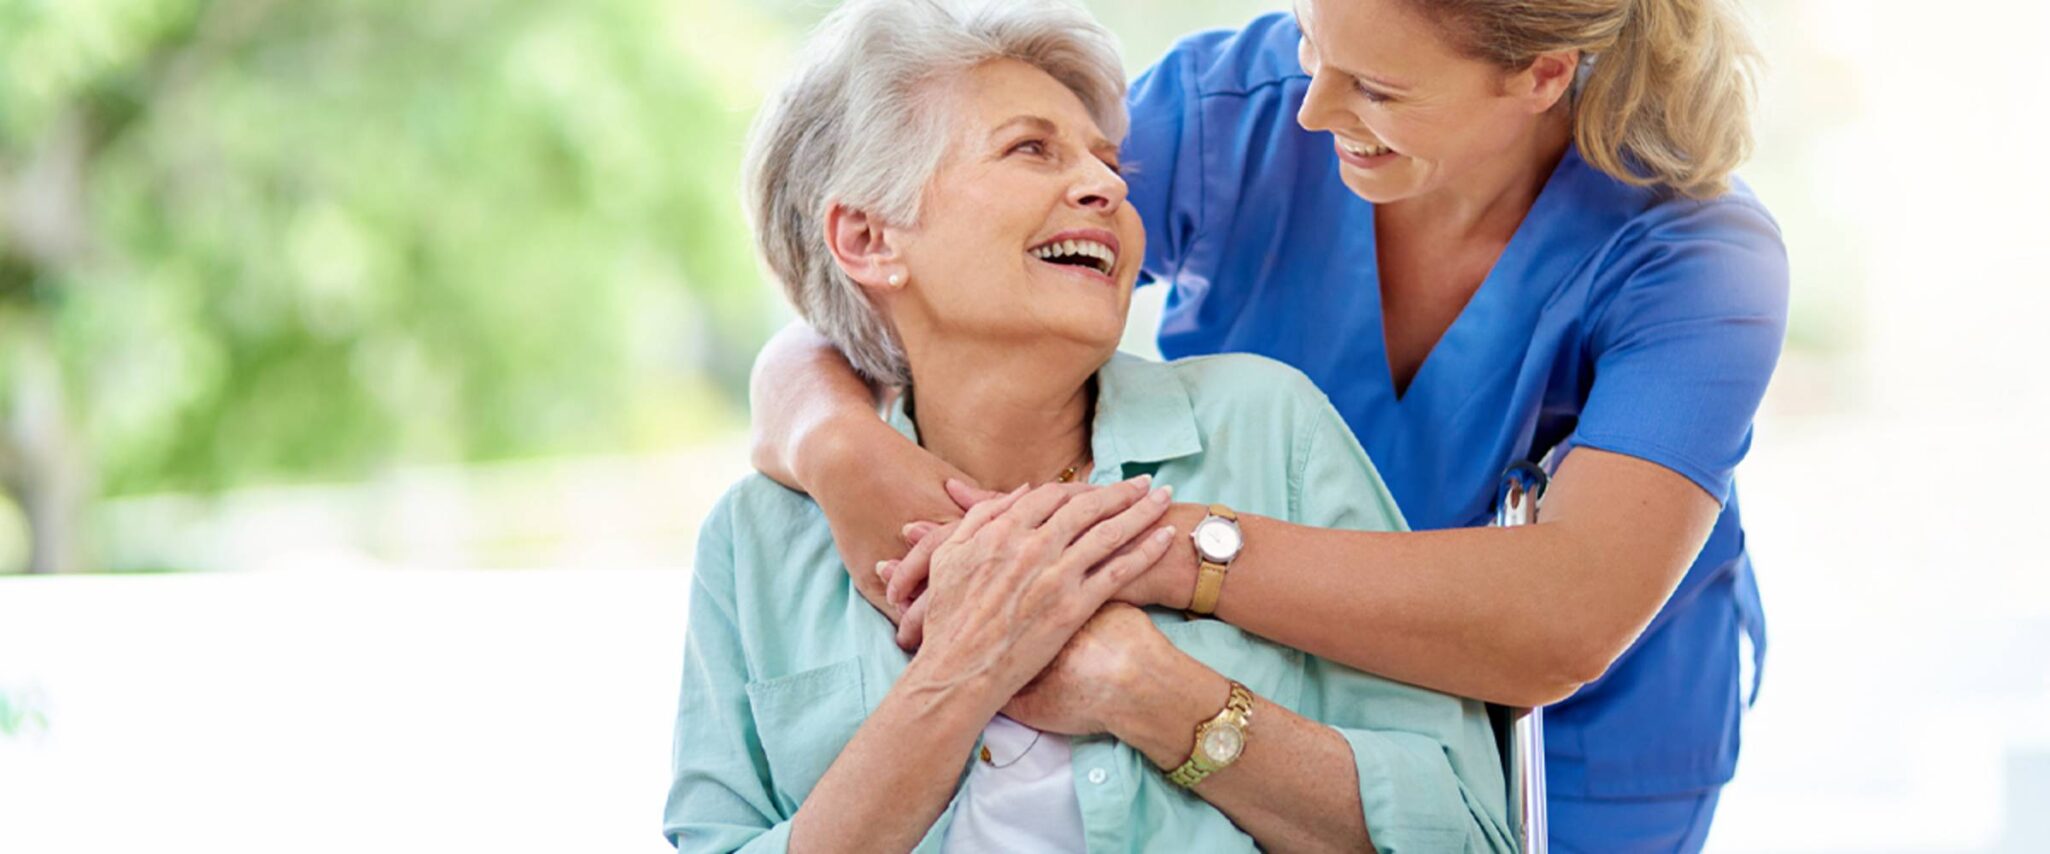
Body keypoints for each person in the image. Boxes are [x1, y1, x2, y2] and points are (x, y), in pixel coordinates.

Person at [749, 0, 1790, 849]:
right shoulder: (1232, 110)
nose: (1309, 108)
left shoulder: (1695, 260)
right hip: (1268, 684)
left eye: (1376, 87)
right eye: (1307, 38)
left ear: (1540, 77)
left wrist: (1136, 547)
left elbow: (1562, 619)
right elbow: (899, 267)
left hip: (1580, 747)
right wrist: (839, 448)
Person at [668, 1, 1516, 850]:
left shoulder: (1267, 428)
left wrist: (1147, 688)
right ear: (868, 238)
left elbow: (1470, 829)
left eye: (1111, 164)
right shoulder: (754, 541)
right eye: (1031, 148)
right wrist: (966, 669)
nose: (1107, 186)